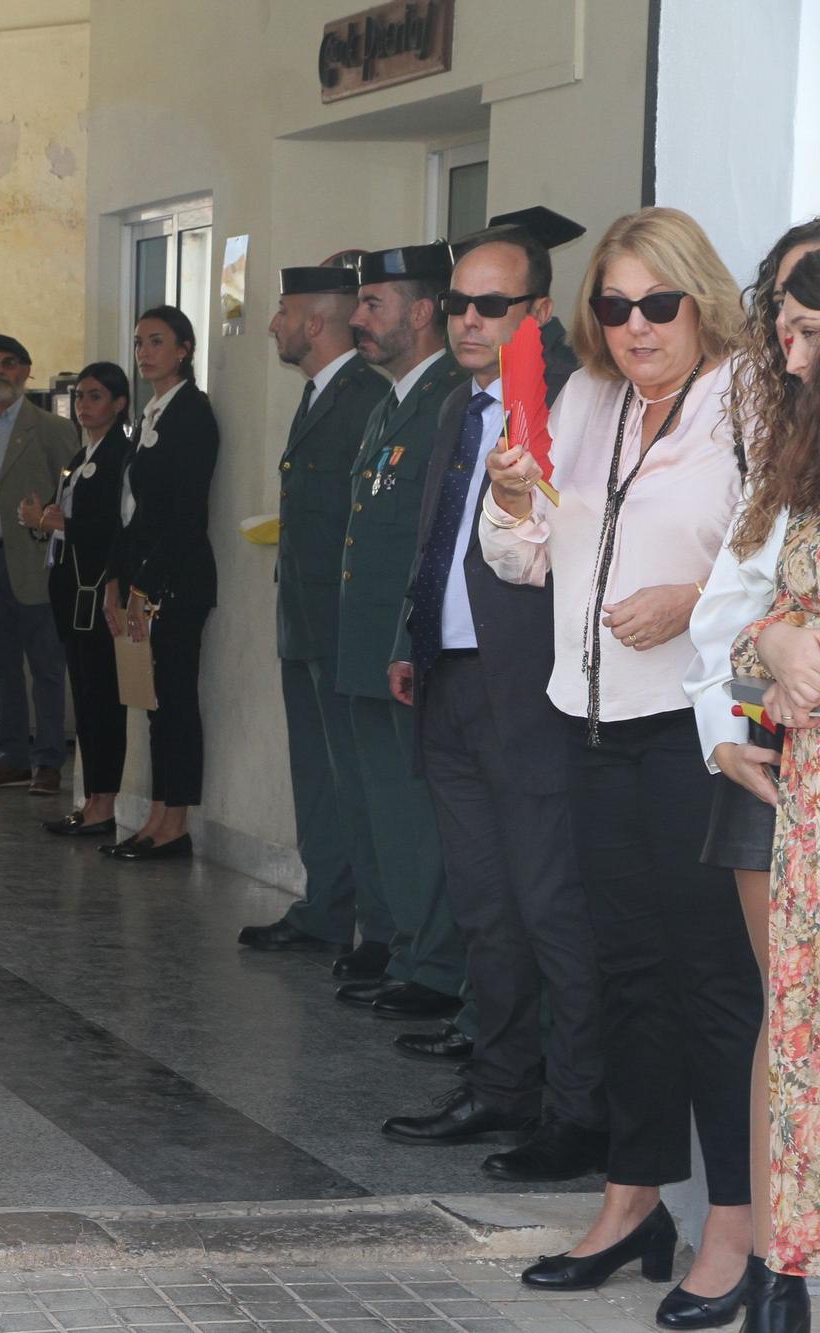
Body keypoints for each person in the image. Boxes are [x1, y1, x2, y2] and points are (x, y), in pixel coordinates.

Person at [480, 207, 761, 1307]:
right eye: (612, 305)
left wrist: (692, 602)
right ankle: (632, 1197)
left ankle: (732, 1227)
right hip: (591, 725)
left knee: (712, 986)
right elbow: (521, 557)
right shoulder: (585, 399)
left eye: (656, 303)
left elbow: (783, 561)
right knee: (621, 978)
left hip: (698, 735)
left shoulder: (747, 399)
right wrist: (510, 501)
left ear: (698, 299)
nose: (634, 325)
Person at [379, 214, 607, 1184]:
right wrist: (412, 638)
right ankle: (499, 1087)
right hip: (452, 685)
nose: (467, 320)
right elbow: (435, 536)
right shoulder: (458, 402)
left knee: (549, 908)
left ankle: (578, 1113)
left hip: (535, 696)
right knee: (482, 907)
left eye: (490, 305)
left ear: (538, 310)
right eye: (457, 303)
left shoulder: (574, 404)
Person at [694, 239, 820, 1333]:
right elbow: (739, 604)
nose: (788, 345)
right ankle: (779, 1266)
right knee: (792, 1026)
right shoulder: (788, 442)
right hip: (785, 784)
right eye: (779, 319)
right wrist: (763, 658)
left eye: (810, 325)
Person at [239, 259, 392, 970]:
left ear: (314, 321)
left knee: (357, 784)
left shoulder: (366, 396)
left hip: (343, 626)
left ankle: (378, 928)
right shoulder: (319, 395)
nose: (272, 323)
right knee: (318, 779)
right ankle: (327, 908)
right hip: (305, 619)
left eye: (282, 311)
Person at [334, 242, 469, 1021]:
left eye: (374, 304)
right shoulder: (392, 401)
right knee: (383, 808)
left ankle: (435, 963)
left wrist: (403, 640)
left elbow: (433, 543)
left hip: (409, 646)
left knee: (417, 815)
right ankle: (399, 941)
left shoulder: (449, 396)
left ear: (421, 313)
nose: (358, 318)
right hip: (371, 644)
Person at [101, 307, 219, 859]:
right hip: (143, 580)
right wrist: (115, 583)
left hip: (178, 583)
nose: (144, 352)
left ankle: (176, 823)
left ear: (185, 349)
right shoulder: (149, 415)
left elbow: (183, 515)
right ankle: (154, 816)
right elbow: (131, 513)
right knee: (152, 703)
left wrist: (146, 586)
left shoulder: (192, 415)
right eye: (139, 342)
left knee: (175, 701)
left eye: (156, 342)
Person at [0, 334, 80, 795]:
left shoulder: (49, 428)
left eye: (8, 364)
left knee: (45, 664)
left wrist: (46, 525)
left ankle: (48, 761)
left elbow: (73, 493)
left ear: (26, 371)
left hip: (33, 562)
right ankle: (11, 758)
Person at [20, 362, 132, 838]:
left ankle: (104, 804)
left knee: (103, 701)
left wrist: (52, 523)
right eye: (81, 397)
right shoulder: (78, 456)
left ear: (120, 404)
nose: (85, 406)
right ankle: (92, 801)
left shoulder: (120, 458)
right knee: (84, 700)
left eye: (96, 397)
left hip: (98, 593)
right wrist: (40, 517)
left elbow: (115, 529)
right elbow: (60, 513)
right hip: (69, 590)